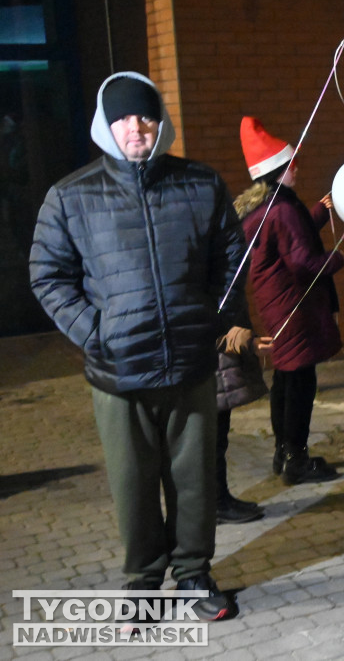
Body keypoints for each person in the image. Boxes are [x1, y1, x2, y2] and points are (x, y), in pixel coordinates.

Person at [29, 71, 243, 619]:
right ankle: (145, 583)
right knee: (133, 485)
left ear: (161, 120)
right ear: (106, 125)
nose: (135, 127)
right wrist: (95, 333)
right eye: (123, 117)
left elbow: (229, 260)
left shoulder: (200, 184)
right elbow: (48, 276)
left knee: (194, 483)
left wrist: (212, 322)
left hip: (189, 367)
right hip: (117, 374)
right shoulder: (71, 196)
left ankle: (194, 575)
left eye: (145, 115)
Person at [235, 116, 342, 485]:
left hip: (278, 306)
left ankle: (284, 451)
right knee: (300, 382)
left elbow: (288, 238)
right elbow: (301, 260)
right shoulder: (281, 209)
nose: (296, 167)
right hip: (295, 307)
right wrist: (336, 259)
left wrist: (317, 214)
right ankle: (296, 457)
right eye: (291, 163)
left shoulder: (267, 207)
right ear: (279, 169)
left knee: (286, 377)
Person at [214, 320, 270, 524]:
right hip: (210, 367)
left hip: (219, 365)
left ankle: (222, 497)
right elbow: (205, 323)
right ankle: (217, 504)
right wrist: (244, 340)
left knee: (219, 439)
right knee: (212, 442)